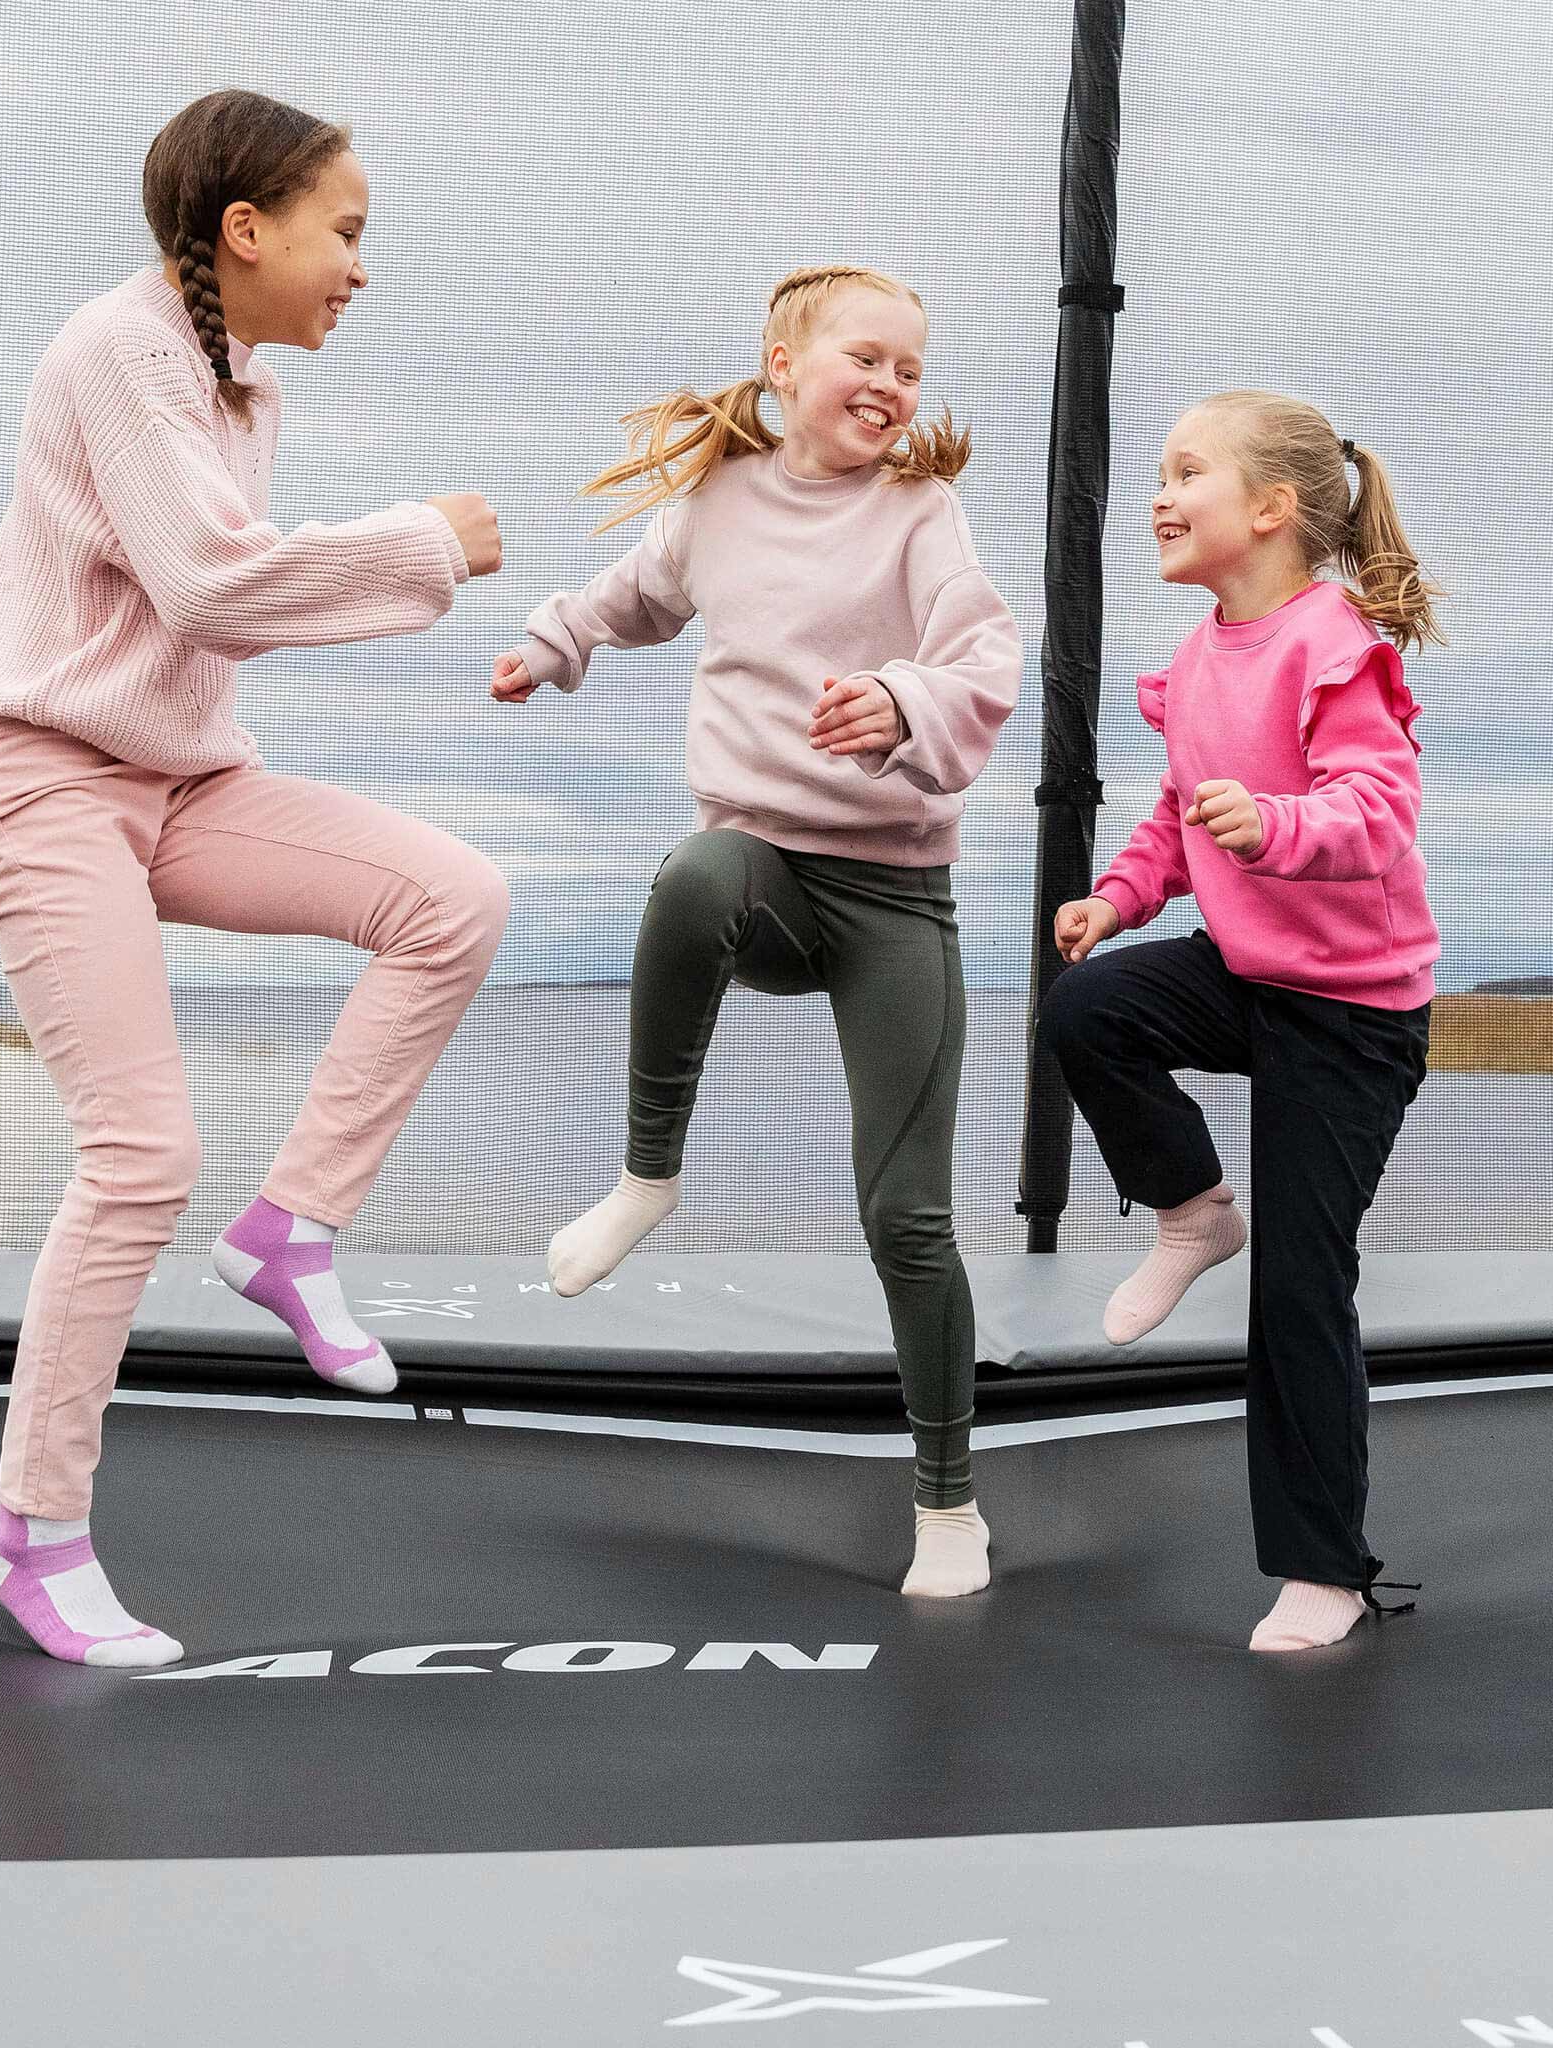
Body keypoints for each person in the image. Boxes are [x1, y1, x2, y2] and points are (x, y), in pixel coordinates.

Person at [0, 89, 509, 1666]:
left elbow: (195, 605)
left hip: (181, 779)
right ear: (244, 228)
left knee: (452, 897)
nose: (360, 269)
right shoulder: (120, 351)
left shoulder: (231, 379)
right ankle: (34, 1532)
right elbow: (207, 584)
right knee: (138, 1155)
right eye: (347, 231)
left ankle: (292, 1233)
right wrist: (428, 544)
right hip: (45, 782)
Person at [492, 264, 1020, 1597]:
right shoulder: (717, 504)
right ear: (785, 365)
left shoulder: (921, 512)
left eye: (913, 367)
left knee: (906, 1219)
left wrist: (902, 707)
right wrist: (553, 645)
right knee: (694, 871)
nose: (893, 387)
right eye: (867, 358)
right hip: (767, 882)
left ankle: (949, 1506)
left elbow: (983, 650)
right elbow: (634, 597)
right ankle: (647, 1179)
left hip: (893, 900)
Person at [1040, 389, 1442, 1651]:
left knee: (1302, 1287)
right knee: (1090, 1006)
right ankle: (1191, 1210)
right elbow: (1173, 816)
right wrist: (1115, 897)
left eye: (1184, 472)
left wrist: (1275, 827)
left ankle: (1323, 1566)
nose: (1158, 496)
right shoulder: (1204, 654)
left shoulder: (1334, 644)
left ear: (1268, 508)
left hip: (1354, 1015)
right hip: (1246, 967)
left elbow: (1377, 812)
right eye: (1158, 474)